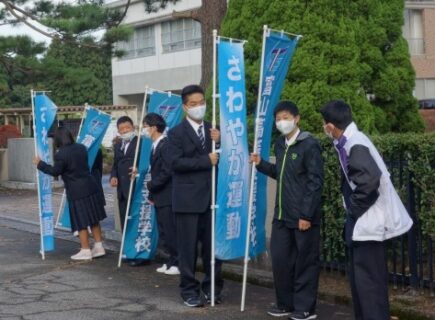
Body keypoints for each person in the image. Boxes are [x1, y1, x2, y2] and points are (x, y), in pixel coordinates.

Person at [320, 100, 413, 320]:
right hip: (365, 221)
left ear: (331, 126)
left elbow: (369, 182)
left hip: (368, 222)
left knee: (368, 285)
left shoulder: (355, 144)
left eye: (324, 124)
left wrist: (353, 209)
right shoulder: (351, 141)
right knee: (364, 285)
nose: (323, 128)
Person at [251, 101, 324, 320]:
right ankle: (285, 303)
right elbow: (280, 173)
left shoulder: (309, 144)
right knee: (281, 262)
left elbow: (315, 182)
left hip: (302, 218)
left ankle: (305, 308)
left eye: (285, 117)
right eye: (278, 119)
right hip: (281, 216)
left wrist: (306, 215)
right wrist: (261, 164)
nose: (282, 122)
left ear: (297, 118)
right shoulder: (280, 144)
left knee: (305, 264)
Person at [167, 84, 224, 307]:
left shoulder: (213, 129)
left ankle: (212, 287)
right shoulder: (176, 133)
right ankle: (189, 290)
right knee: (188, 249)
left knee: (213, 249)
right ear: (185, 107)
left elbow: (225, 157)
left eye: (202, 103)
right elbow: (174, 163)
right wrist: (204, 160)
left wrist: (219, 141)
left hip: (212, 200)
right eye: (194, 104)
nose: (199, 107)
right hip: (188, 201)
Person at [33, 127, 107, 261]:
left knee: (81, 221)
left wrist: (40, 164)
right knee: (93, 218)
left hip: (76, 190)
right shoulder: (81, 147)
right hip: (91, 185)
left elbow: (55, 171)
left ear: (58, 139)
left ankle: (85, 250)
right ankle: (98, 246)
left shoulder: (61, 154)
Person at [142, 112, 179, 276]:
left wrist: (152, 185)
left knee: (171, 231)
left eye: (145, 126)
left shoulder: (165, 145)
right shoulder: (155, 145)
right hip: (159, 195)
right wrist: (152, 194)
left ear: (154, 127)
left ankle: (177, 262)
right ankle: (170, 260)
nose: (143, 130)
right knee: (163, 230)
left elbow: (167, 171)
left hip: (168, 195)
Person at [110, 116, 147, 267]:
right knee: (126, 220)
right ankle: (128, 250)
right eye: (122, 129)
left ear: (133, 127)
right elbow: (115, 163)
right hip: (122, 189)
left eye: (127, 128)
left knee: (137, 220)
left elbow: (145, 162)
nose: (125, 131)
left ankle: (139, 254)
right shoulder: (118, 144)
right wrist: (113, 176)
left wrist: (138, 171)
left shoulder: (141, 142)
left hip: (136, 186)